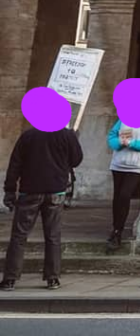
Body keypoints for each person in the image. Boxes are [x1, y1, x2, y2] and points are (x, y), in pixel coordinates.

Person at [1, 124, 82, 291]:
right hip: (56, 190)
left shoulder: (28, 136)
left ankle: (10, 278)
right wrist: (74, 138)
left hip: (30, 190)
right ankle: (52, 277)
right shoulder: (66, 135)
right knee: (53, 236)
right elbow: (76, 160)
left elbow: (15, 164)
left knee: (19, 236)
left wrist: (9, 190)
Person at [106, 116, 140, 252]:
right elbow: (111, 138)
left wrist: (132, 143)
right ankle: (116, 230)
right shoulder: (123, 119)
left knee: (124, 195)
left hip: (136, 166)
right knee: (117, 198)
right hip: (118, 164)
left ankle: (118, 230)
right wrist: (119, 142)